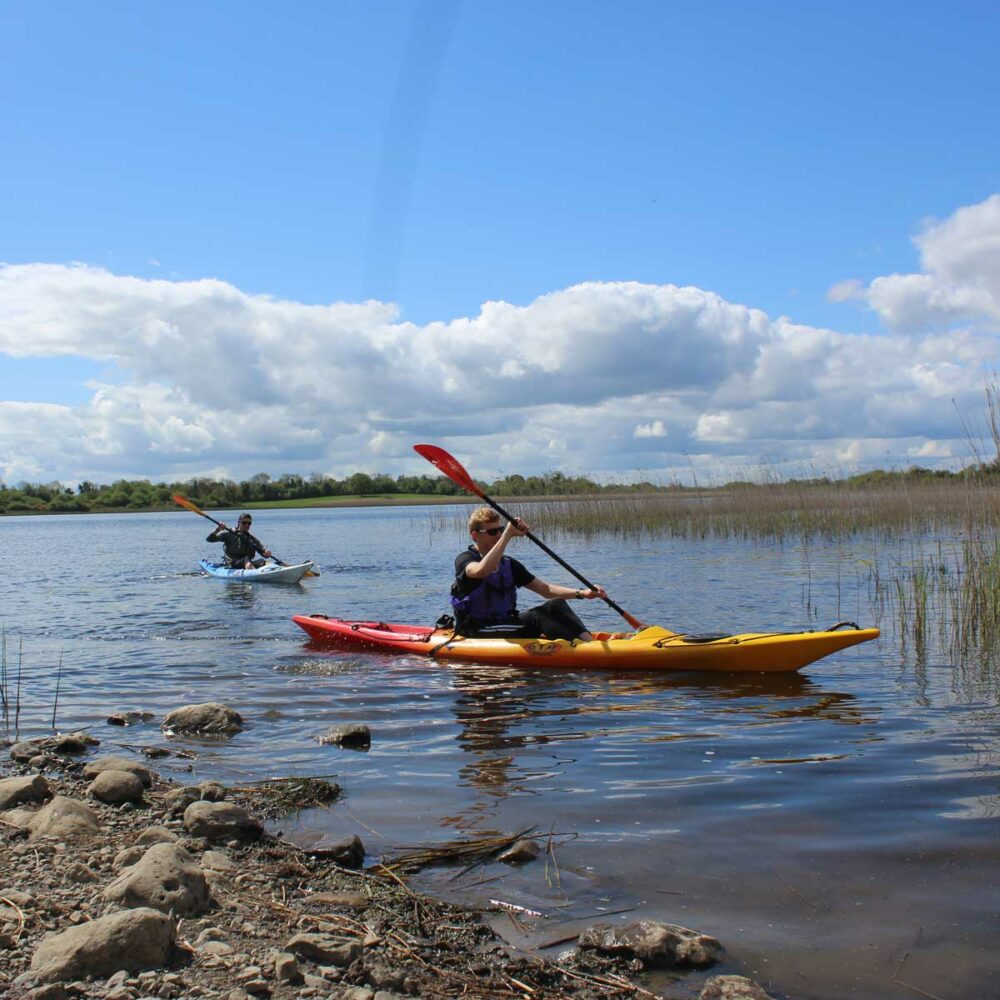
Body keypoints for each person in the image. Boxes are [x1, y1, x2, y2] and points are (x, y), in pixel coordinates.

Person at [450, 506, 607, 641]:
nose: (498, 535)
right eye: (492, 532)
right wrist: (508, 535)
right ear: (475, 535)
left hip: (506, 623)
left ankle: (589, 643)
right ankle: (586, 649)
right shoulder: (465, 559)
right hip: (478, 629)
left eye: (500, 530)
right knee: (539, 616)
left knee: (555, 604)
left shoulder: (508, 564)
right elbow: (482, 571)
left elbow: (546, 590)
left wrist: (583, 593)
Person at [206, 512, 272, 569]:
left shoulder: (252, 539)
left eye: (249, 523)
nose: (246, 525)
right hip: (233, 563)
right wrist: (218, 529)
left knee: (263, 561)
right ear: (239, 523)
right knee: (246, 560)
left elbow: (263, 552)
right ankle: (251, 574)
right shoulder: (229, 533)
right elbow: (209, 539)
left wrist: (267, 553)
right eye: (244, 522)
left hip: (247, 563)